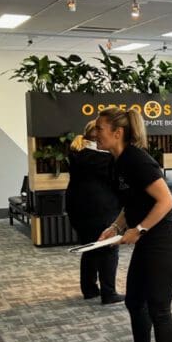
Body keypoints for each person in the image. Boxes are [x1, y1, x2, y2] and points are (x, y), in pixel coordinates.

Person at [95, 108, 172, 342]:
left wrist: (140, 229)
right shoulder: (117, 162)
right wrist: (116, 226)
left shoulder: (137, 159)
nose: (95, 134)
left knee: (159, 308)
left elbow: (166, 200)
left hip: (166, 240)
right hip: (149, 240)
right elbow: (132, 203)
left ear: (117, 133)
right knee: (135, 301)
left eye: (99, 129)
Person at [66, 120, 121, 305]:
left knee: (89, 247)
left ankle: (89, 289)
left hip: (77, 209)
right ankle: (109, 293)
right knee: (109, 249)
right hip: (102, 209)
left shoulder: (77, 154)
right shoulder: (107, 159)